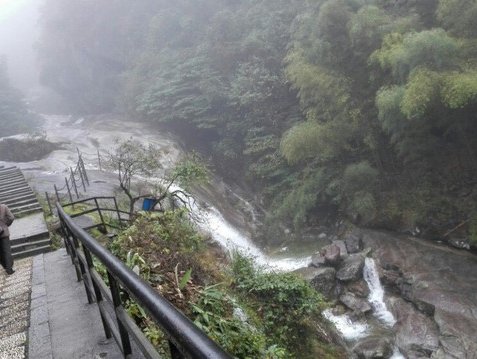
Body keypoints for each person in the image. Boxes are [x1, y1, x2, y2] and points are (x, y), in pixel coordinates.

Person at [0, 203, 15, 275]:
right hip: (4, 233)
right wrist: (5, 225)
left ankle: (5, 266)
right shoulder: (3, 207)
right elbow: (11, 217)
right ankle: (9, 269)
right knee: (7, 251)